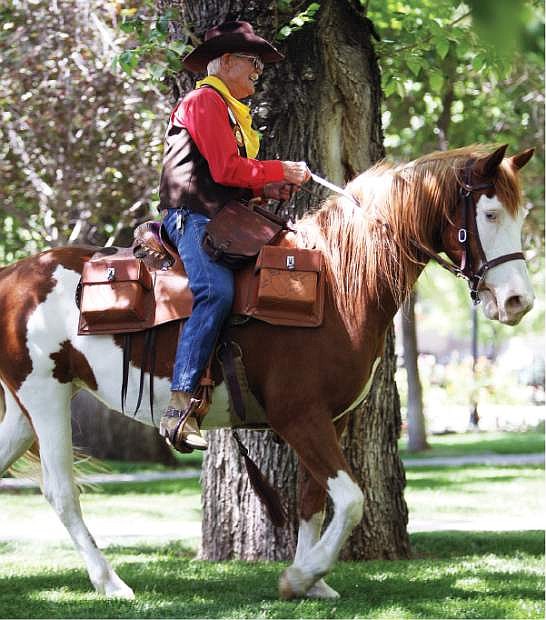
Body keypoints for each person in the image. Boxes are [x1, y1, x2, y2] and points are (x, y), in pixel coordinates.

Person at [157, 21, 310, 452]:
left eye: (260, 64)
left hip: (222, 219)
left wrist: (265, 187)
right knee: (216, 292)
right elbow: (224, 170)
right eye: (253, 62)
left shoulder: (227, 109)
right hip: (193, 217)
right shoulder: (204, 100)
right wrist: (280, 170)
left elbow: (231, 177)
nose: (259, 72)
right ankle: (180, 403)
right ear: (225, 62)